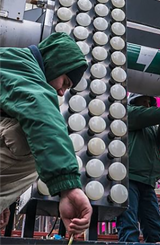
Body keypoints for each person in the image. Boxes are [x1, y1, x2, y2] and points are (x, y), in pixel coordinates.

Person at [0, 32, 92, 235]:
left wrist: (5, 200)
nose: (61, 93)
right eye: (65, 83)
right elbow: (39, 111)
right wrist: (68, 187)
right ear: (56, 64)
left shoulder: (13, 63)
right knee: (29, 140)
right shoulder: (22, 68)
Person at [117, 93, 160, 242]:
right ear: (134, 101)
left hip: (147, 182)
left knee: (154, 228)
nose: (148, 105)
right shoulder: (127, 113)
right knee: (129, 226)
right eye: (144, 101)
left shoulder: (149, 128)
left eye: (150, 102)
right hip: (129, 179)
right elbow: (140, 116)